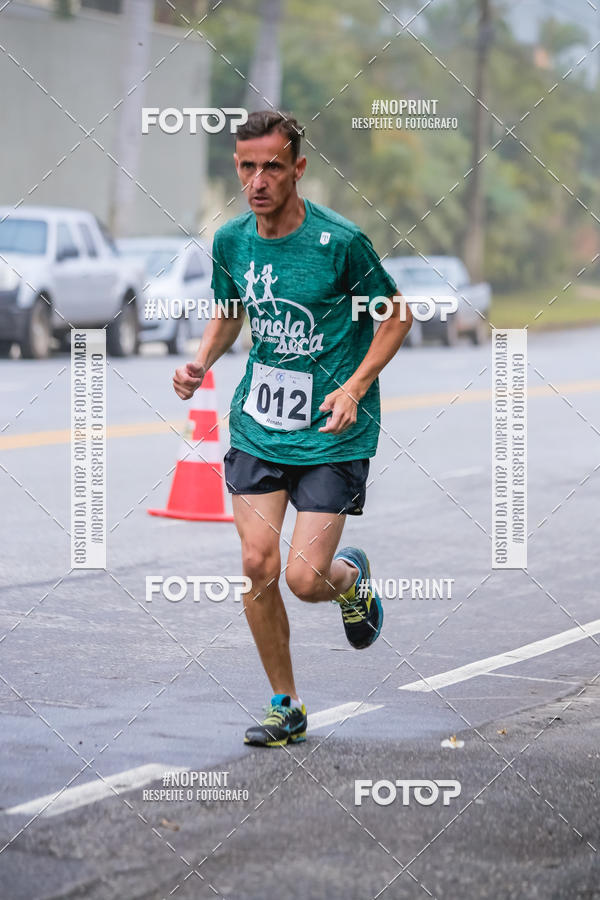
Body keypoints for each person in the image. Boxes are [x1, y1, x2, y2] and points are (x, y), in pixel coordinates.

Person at [173, 110, 412, 747]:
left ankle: (349, 580)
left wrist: (353, 386)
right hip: (260, 424)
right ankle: (287, 704)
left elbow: (396, 317)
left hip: (332, 431)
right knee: (257, 563)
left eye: (272, 166)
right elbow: (229, 314)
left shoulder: (341, 243)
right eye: (247, 167)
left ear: (297, 168)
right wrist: (201, 361)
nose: (258, 180)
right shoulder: (230, 241)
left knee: (306, 579)